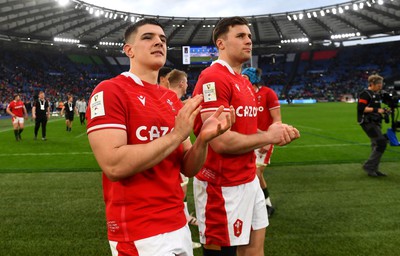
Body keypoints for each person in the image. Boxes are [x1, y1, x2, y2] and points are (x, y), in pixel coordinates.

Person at [85, 18, 233, 256]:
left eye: (163, 39)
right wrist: (176, 135)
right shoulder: (110, 90)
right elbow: (114, 164)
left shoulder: (170, 100)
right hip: (139, 230)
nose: (158, 43)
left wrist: (203, 140)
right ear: (128, 50)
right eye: (148, 37)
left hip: (177, 223)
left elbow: (188, 167)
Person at [192, 16, 300, 256]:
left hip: (248, 178)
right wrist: (269, 137)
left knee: (254, 249)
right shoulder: (214, 77)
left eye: (249, 36)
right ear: (221, 43)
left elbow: (248, 132)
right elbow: (220, 141)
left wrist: (276, 132)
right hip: (221, 185)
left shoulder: (242, 81)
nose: (248, 41)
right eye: (240, 36)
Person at [168, 68, 201, 249]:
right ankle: (183, 237)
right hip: (175, 159)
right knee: (178, 198)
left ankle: (185, 222)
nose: (187, 84)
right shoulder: (174, 104)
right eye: (186, 82)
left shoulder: (168, 100)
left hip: (169, 158)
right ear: (182, 83)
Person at [242, 67, 281, 217]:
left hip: (264, 140)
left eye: (246, 78)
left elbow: (277, 119)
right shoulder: (244, 94)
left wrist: (268, 141)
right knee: (249, 173)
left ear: (253, 80)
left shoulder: (268, 93)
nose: (242, 80)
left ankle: (267, 204)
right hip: (247, 140)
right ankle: (255, 204)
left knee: (256, 173)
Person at [357, 74, 388, 177]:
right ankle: (369, 166)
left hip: (375, 122)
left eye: (381, 84)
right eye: (378, 85)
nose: (380, 86)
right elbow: (361, 108)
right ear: (372, 84)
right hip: (367, 122)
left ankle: (374, 169)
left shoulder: (376, 94)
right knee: (381, 142)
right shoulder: (365, 94)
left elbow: (376, 110)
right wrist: (377, 110)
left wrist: (384, 111)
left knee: (376, 144)